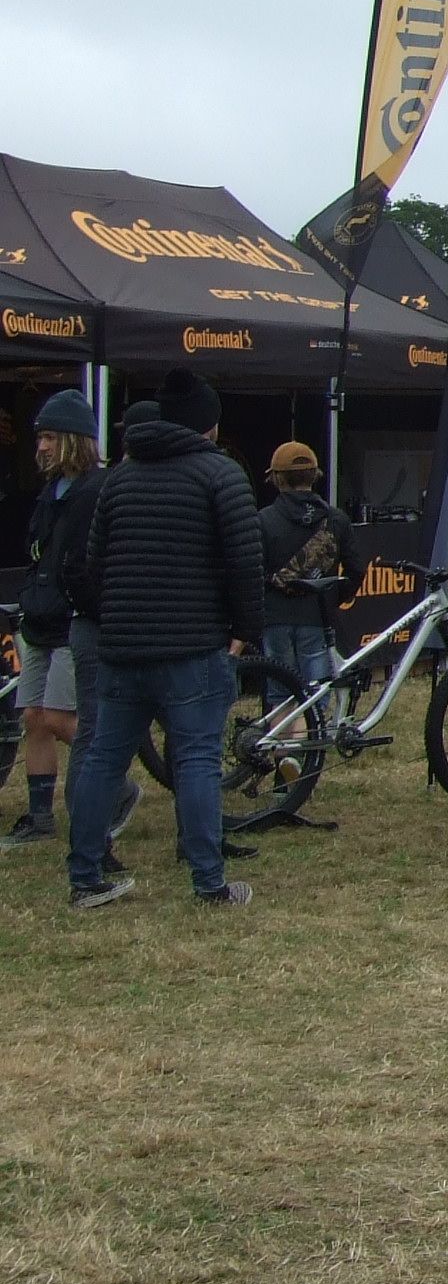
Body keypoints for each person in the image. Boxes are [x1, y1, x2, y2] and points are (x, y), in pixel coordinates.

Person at [65, 370, 266, 910]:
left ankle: (85, 876)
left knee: (104, 758)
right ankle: (209, 882)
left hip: (124, 646)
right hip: (193, 646)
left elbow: (94, 565)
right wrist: (246, 633)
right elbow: (245, 563)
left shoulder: (120, 480)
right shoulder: (219, 476)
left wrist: (118, 620)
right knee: (197, 760)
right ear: (209, 424)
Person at [5, 390, 136, 853]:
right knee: (33, 718)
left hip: (73, 619)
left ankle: (114, 785)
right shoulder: (50, 492)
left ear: (73, 440)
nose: (39, 446)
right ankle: (40, 815)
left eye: (47, 437)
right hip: (38, 617)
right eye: (38, 437)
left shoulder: (96, 489)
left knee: (62, 717)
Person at [257, 441, 352, 703]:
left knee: (279, 693)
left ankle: (283, 742)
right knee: (317, 692)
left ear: (277, 478)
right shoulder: (336, 520)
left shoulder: (263, 520)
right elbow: (355, 569)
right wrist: (334, 598)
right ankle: (314, 741)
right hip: (317, 616)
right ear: (316, 476)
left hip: (275, 617)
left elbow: (254, 571)